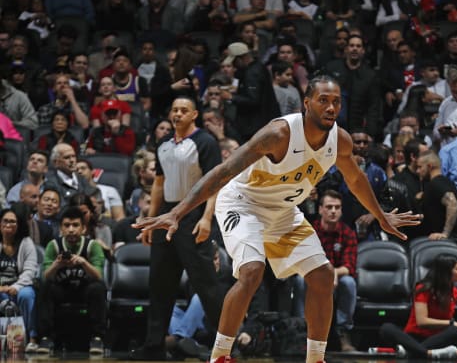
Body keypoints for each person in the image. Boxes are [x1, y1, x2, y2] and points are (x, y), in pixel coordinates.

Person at [134, 75, 421, 363]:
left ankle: (315, 359)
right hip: (242, 204)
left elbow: (356, 180)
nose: (331, 107)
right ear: (307, 103)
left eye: (336, 102)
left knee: (322, 276)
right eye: (323, 101)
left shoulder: (340, 141)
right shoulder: (279, 133)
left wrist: (380, 216)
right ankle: (220, 356)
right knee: (252, 271)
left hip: (283, 211)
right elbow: (223, 172)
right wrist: (177, 211)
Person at [127, 97, 224, 361]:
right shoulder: (163, 144)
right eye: (174, 110)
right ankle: (154, 346)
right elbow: (158, 184)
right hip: (166, 215)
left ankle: (226, 345)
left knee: (206, 285)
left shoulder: (205, 142)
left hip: (193, 215)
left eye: (183, 110)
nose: (178, 114)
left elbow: (214, 183)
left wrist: (207, 219)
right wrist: (150, 220)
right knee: (159, 283)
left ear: (194, 114)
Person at [291, 189, 358, 352]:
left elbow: (349, 266)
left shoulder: (348, 233)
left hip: (337, 280)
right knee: (299, 280)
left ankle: (343, 333)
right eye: (329, 207)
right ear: (320, 209)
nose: (333, 211)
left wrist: (333, 273)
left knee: (349, 283)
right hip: (313, 275)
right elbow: (302, 261)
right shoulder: (309, 231)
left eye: (337, 207)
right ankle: (302, 332)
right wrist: (326, 274)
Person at [36, 206, 107, 355]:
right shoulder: (54, 246)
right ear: (61, 228)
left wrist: (83, 263)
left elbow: (99, 276)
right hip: (62, 291)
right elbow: (45, 276)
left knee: (98, 288)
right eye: (66, 225)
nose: (71, 229)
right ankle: (45, 337)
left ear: (83, 228)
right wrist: (57, 265)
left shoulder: (92, 246)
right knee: (45, 286)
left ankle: (97, 338)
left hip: (84, 291)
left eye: (75, 225)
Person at [377, 253, 457, 359]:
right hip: (415, 337)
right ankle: (427, 353)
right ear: (446, 272)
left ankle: (411, 352)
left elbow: (446, 319)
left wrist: (456, 326)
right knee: (386, 328)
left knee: (456, 332)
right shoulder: (423, 289)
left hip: (437, 339)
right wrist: (452, 323)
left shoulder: (455, 292)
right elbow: (422, 322)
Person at [0, 208, 39, 353]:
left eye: (12, 221)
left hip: (21, 286)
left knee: (27, 295)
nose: (8, 224)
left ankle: (33, 339)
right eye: (5, 221)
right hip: (1, 288)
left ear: (19, 225)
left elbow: (30, 271)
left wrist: (16, 286)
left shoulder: (26, 243)